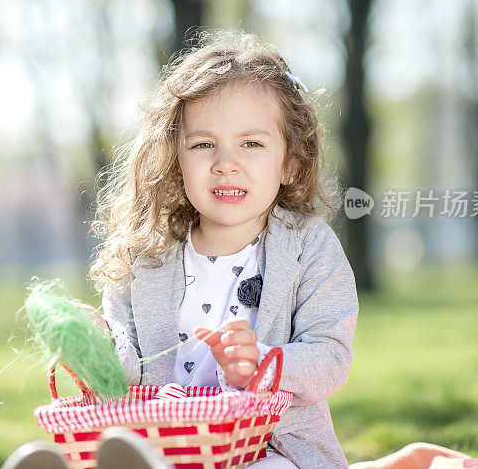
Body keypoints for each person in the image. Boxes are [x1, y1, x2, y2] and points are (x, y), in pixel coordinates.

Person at [87, 30, 359, 469]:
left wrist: (264, 363)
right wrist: (96, 345)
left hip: (272, 448)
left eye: (251, 143)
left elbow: (330, 358)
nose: (225, 163)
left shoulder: (307, 245)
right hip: (167, 445)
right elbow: (125, 373)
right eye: (203, 144)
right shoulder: (148, 256)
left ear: (290, 160)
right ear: (176, 165)